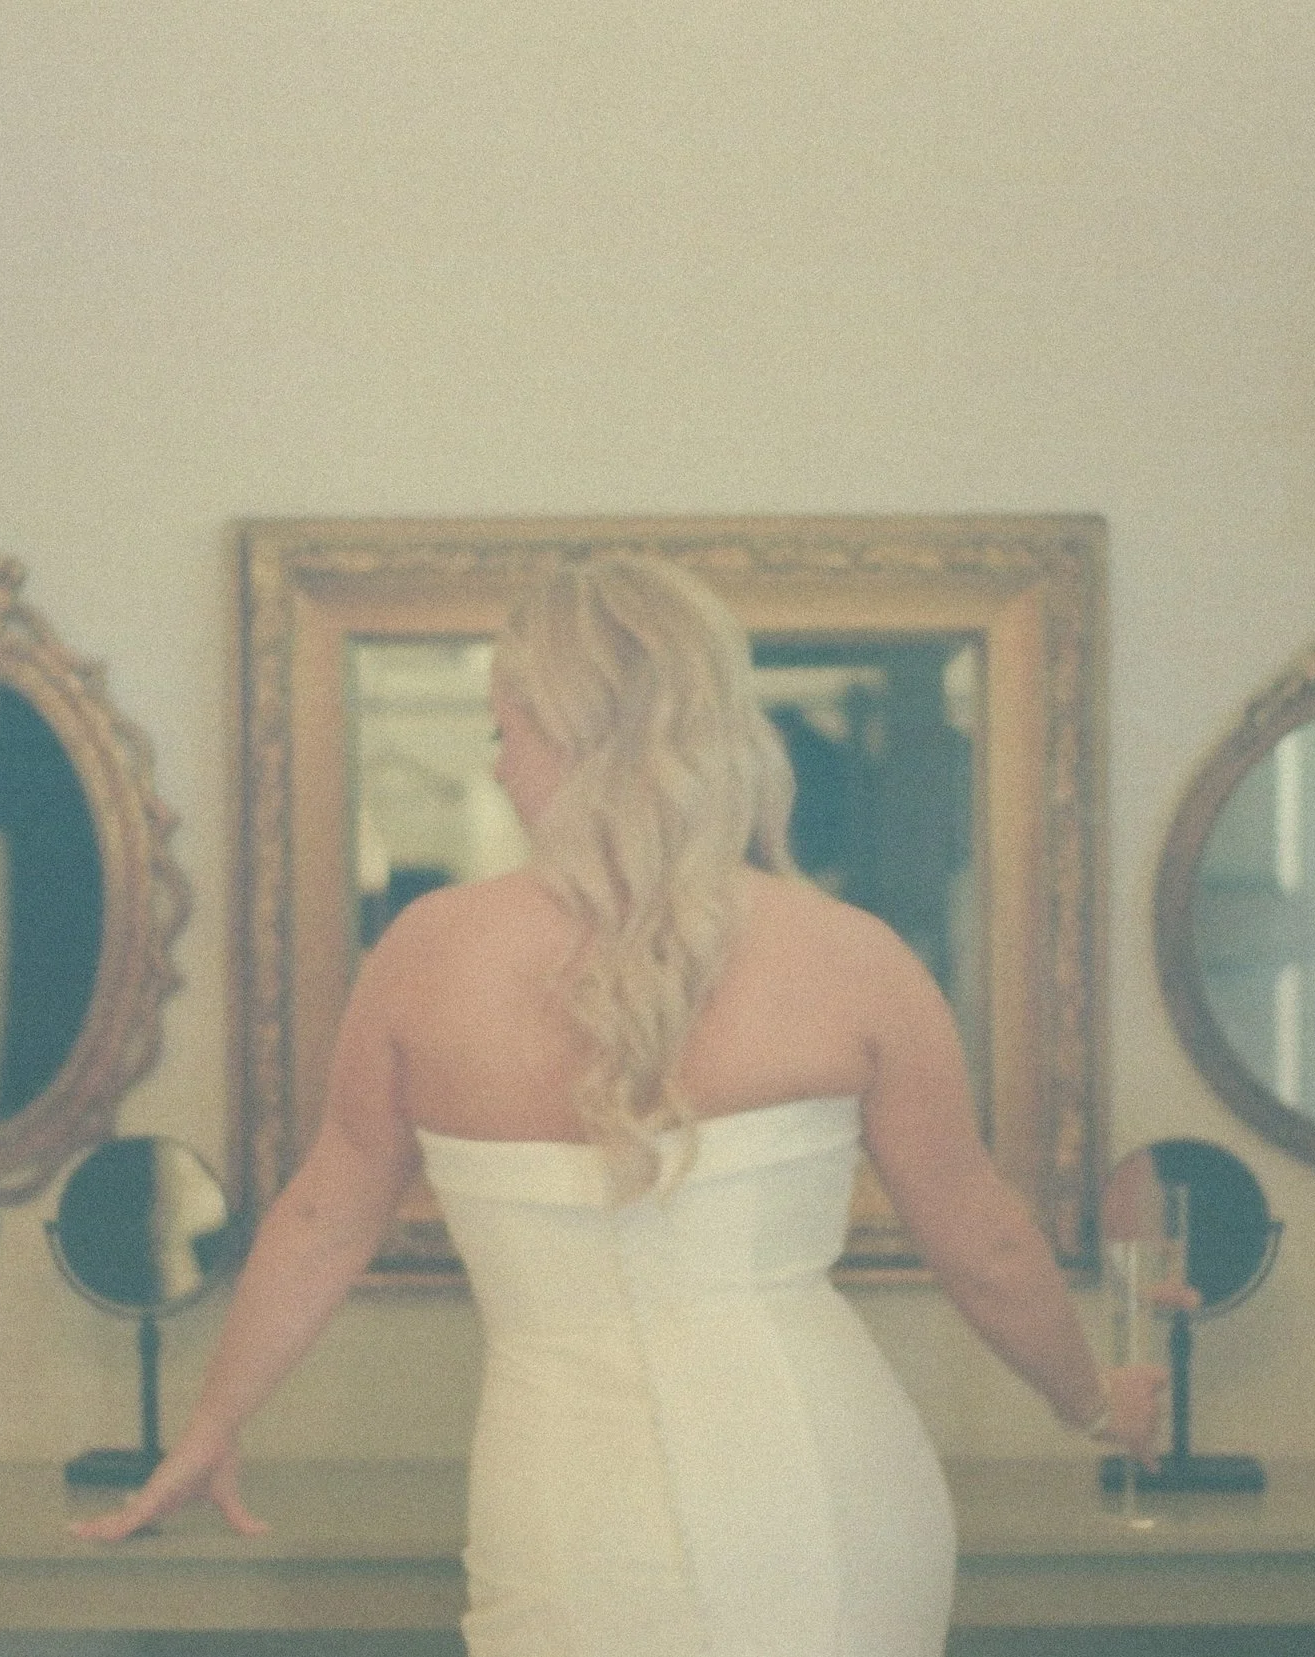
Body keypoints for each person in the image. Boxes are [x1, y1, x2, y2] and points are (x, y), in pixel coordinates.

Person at [73, 556, 1165, 1654]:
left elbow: (323, 1215)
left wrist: (212, 1423)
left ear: (574, 734)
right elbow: (983, 1244)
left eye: (505, 733)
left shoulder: (424, 957)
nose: (496, 770)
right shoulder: (852, 958)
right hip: (826, 1491)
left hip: (558, 1503)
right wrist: (1094, 1403)